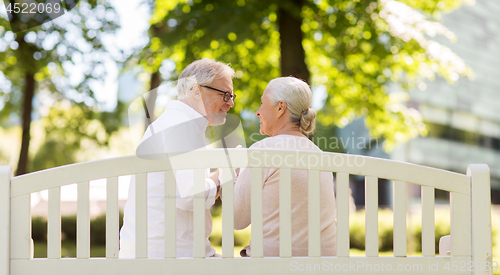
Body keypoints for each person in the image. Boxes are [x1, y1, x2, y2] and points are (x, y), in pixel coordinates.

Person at [119, 58, 236, 258]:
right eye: (225, 95)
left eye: (232, 96)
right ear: (197, 91)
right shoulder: (181, 126)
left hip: (163, 253)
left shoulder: (178, 123)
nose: (231, 103)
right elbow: (190, 195)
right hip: (169, 257)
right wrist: (224, 173)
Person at [233, 76, 337, 257]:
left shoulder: (263, 150)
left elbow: (236, 219)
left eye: (263, 104)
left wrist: (231, 175)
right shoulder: (320, 155)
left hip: (273, 266)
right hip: (324, 265)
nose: (258, 112)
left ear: (280, 107)